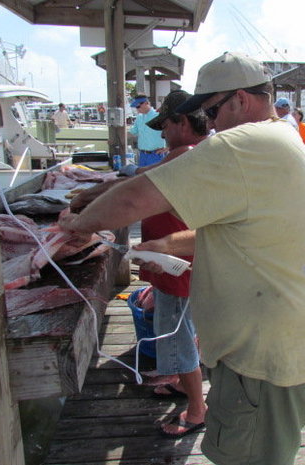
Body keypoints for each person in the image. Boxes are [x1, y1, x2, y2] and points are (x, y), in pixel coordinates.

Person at [59, 51, 305, 465]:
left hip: (264, 360)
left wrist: (75, 225)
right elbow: (243, 231)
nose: (211, 124)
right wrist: (166, 245)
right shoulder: (283, 137)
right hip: (284, 344)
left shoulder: (244, 143)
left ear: (240, 99)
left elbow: (135, 197)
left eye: (211, 111)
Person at [70, 91, 208, 439]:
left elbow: (135, 186)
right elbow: (140, 176)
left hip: (176, 266)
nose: (162, 134)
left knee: (178, 337)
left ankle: (197, 410)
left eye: (166, 126)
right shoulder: (194, 154)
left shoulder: (186, 154)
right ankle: (182, 384)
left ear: (182, 122)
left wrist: (83, 206)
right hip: (180, 263)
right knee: (185, 329)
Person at [129, 95, 167, 167]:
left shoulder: (159, 116)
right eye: (136, 107)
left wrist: (168, 148)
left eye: (138, 106)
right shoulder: (139, 118)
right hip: (142, 156)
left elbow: (172, 132)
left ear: (146, 103)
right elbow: (133, 132)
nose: (137, 109)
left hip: (156, 155)